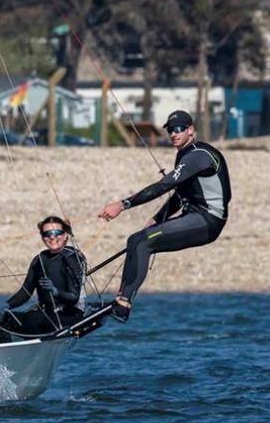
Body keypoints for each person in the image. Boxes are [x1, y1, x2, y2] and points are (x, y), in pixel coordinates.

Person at [98, 110, 231, 321]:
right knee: (135, 239)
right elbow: (180, 194)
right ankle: (120, 298)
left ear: (191, 130)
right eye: (170, 130)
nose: (174, 134)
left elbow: (163, 186)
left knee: (143, 242)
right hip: (194, 216)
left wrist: (123, 205)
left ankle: (123, 305)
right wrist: (159, 218)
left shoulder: (199, 155)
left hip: (207, 220)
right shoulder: (184, 155)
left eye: (179, 129)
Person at [0, 216, 86, 344]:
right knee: (0, 320)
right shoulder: (40, 259)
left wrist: (55, 291)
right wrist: (6, 305)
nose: (52, 237)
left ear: (65, 235)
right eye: (47, 234)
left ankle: (33, 353)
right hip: (43, 315)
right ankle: (5, 357)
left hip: (68, 316)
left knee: (36, 320)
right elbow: (25, 292)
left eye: (57, 232)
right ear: (43, 237)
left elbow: (74, 297)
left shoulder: (72, 257)